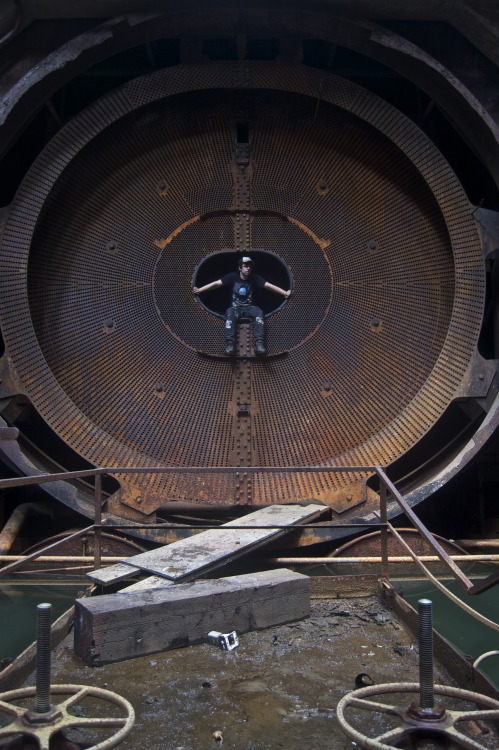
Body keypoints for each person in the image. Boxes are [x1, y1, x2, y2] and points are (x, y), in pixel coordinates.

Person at [193, 256, 291, 355]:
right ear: (240, 268)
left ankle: (259, 345)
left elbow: (268, 286)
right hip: (235, 309)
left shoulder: (254, 278)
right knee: (230, 313)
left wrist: (284, 293)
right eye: (245, 266)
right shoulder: (232, 277)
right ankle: (230, 345)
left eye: (250, 267)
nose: (248, 268)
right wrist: (199, 290)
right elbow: (216, 284)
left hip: (249, 308)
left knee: (258, 312)